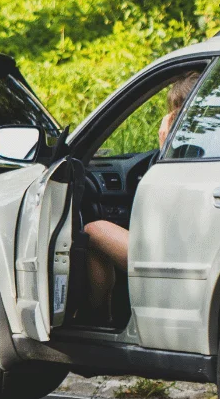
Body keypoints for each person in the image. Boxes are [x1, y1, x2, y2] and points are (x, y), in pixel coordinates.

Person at [83, 71, 200, 314]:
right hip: (189, 252)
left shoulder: (184, 157)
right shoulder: (219, 149)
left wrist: (165, 148)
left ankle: (98, 317)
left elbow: (164, 208)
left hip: (172, 256)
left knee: (93, 230)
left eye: (175, 111)